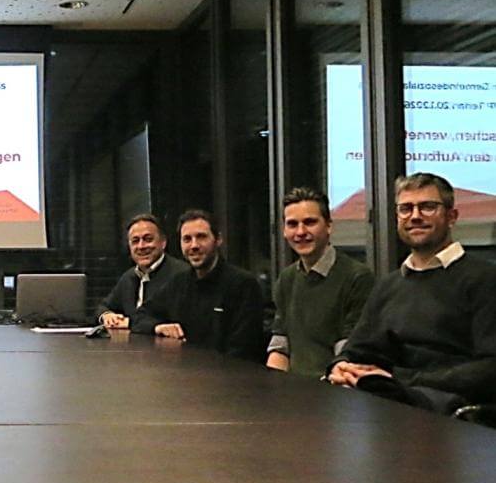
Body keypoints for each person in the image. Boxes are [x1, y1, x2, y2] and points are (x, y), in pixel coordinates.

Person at [328, 173, 496, 413]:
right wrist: (341, 366)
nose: (415, 216)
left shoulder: (485, 279)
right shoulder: (389, 285)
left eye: (428, 207)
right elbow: (358, 349)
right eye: (406, 209)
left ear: (451, 216)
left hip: (451, 415)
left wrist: (400, 380)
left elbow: (490, 368)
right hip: (388, 404)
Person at [266, 188, 373, 378]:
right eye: (292, 224)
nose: (300, 232)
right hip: (292, 389)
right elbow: (280, 346)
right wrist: (273, 386)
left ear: (329, 226)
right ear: (283, 230)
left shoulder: (357, 277)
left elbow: (350, 354)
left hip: (337, 386)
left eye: (310, 222)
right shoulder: (286, 279)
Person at [133, 210, 264, 362]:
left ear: (218, 239)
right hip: (183, 372)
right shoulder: (178, 283)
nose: (194, 245)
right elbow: (139, 316)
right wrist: (158, 327)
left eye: (201, 237)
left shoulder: (243, 285)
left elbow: (243, 351)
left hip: (228, 374)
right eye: (187, 239)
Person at [95, 214, 187, 330]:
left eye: (148, 239)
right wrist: (107, 315)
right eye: (135, 241)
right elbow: (104, 306)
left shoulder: (181, 275)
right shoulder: (129, 277)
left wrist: (130, 323)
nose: (141, 246)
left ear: (163, 242)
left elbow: (179, 322)